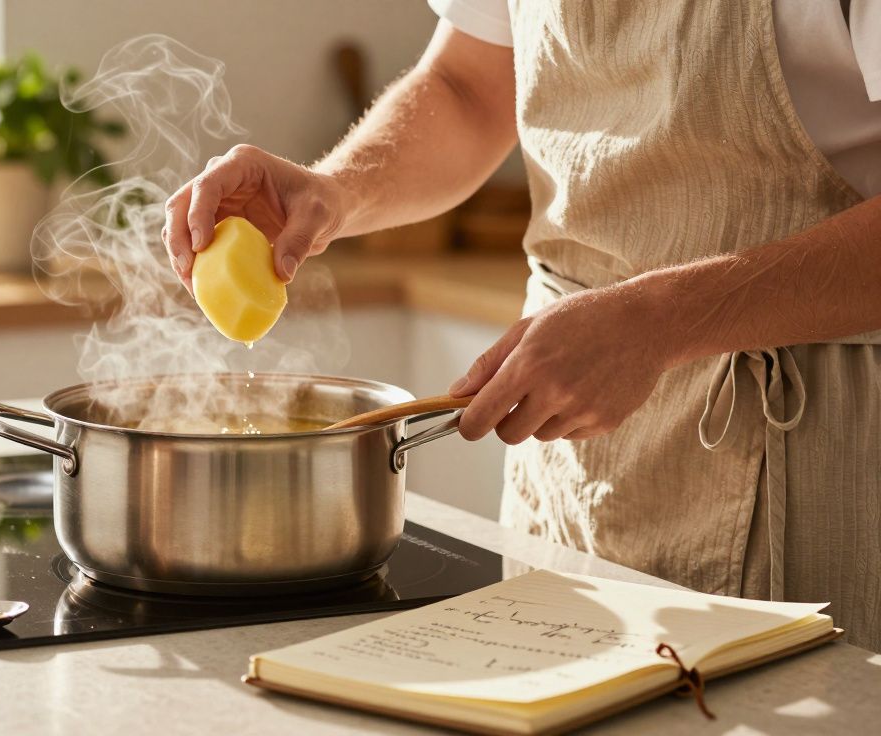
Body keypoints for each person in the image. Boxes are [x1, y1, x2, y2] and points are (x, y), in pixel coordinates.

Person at [162, 1, 881, 650]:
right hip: (572, 454)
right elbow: (469, 87)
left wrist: (658, 321)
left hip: (815, 448)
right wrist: (336, 192)